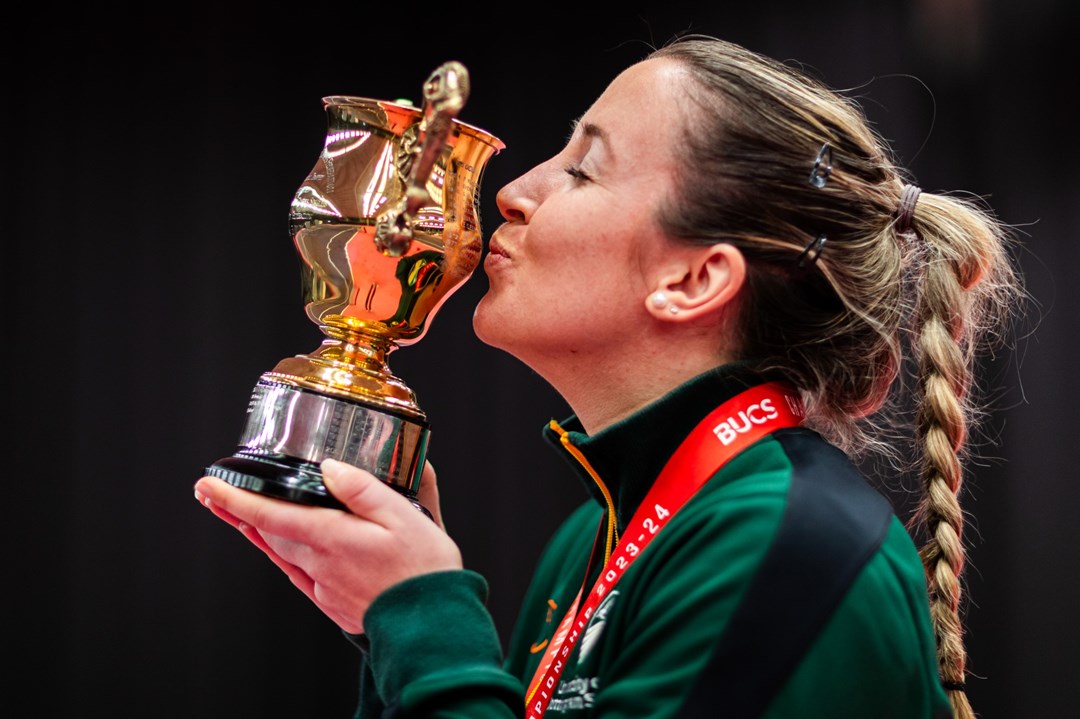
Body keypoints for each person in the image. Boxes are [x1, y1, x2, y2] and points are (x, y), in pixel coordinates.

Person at [194, 35, 1022, 719]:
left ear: (694, 279)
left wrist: (425, 615)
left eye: (581, 170)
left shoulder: (785, 542)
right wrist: (386, 630)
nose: (516, 192)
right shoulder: (600, 537)